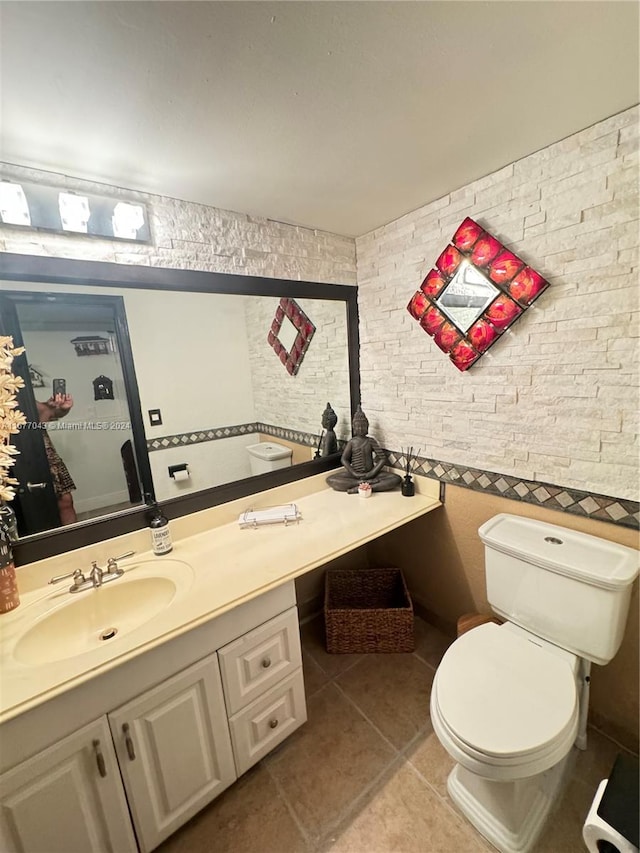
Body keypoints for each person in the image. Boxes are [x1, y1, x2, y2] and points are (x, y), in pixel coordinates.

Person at [326, 406, 401, 493]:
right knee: (331, 479)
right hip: (355, 475)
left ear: (367, 426)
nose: (360, 429)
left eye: (363, 426)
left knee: (396, 479)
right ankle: (361, 483)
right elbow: (344, 459)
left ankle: (367, 487)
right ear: (354, 427)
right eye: (358, 427)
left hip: (372, 474)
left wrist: (372, 473)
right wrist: (354, 473)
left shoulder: (371, 441)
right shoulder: (352, 442)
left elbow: (382, 458)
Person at [36, 393, 77, 525]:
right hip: (14, 456)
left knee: (65, 500)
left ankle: (74, 541)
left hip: (45, 452)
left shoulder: (16, 388)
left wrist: (60, 408)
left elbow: (44, 414)